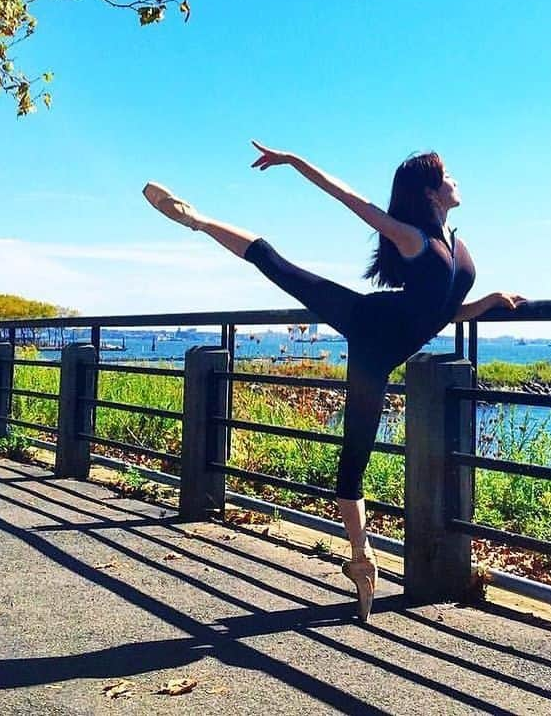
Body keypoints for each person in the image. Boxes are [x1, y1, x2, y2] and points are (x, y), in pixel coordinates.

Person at [143, 143, 525, 621]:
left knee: (354, 460)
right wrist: (293, 161)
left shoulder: (456, 244)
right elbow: (346, 197)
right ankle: (196, 219)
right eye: (448, 174)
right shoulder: (412, 238)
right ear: (429, 191)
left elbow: (441, 312)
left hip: (385, 348)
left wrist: (487, 301)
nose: (456, 181)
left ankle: (360, 563)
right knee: (278, 266)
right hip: (368, 328)